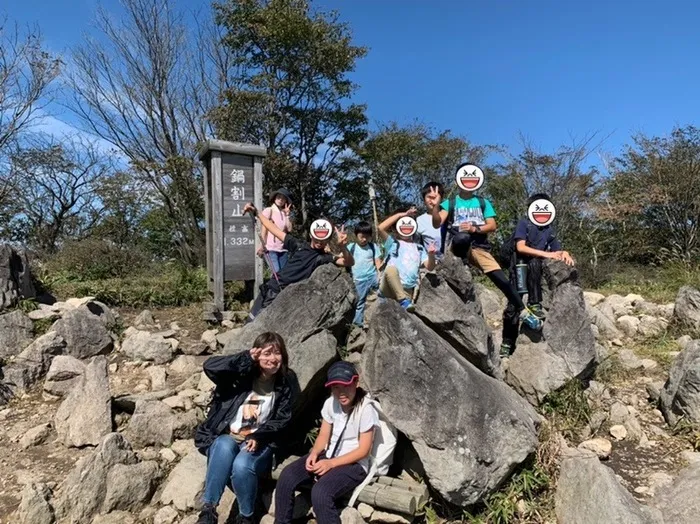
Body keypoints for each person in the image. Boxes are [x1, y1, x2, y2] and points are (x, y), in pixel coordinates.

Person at [194, 332, 299, 524]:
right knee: (222, 446)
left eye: (277, 353)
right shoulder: (242, 374)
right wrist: (244, 358)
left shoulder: (286, 380)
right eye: (267, 354)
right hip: (229, 434)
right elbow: (210, 366)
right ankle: (208, 510)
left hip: (260, 440)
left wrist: (260, 435)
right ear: (257, 355)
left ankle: (246, 516)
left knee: (241, 466)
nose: (272, 359)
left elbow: (283, 418)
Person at [428, 176, 543, 338]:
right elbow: (437, 223)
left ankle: (523, 311)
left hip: (479, 248)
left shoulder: (483, 202)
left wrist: (474, 228)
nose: (469, 181)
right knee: (462, 237)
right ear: (458, 181)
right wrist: (435, 207)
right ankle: (462, 263)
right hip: (457, 246)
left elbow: (492, 225)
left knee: (501, 279)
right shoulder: (450, 203)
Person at [274, 361, 378, 524]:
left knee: (321, 493)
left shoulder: (366, 409)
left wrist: (331, 464)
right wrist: (314, 453)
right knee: (287, 476)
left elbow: (364, 450)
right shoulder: (331, 403)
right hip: (328, 455)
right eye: (335, 387)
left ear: (356, 382)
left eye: (345, 385)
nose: (341, 392)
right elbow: (323, 435)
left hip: (354, 464)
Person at [243, 203, 354, 322]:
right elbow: (273, 229)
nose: (319, 242)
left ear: (327, 239)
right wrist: (257, 212)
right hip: (272, 286)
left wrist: (343, 247)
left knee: (264, 326)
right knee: (251, 321)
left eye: (323, 239)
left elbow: (349, 262)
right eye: (317, 238)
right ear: (311, 235)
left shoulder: (323, 258)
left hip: (287, 296)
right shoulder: (298, 245)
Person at [501, 193, 575, 355]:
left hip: (535, 270)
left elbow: (557, 249)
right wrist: (547, 254)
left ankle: (535, 304)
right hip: (518, 268)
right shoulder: (524, 224)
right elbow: (520, 247)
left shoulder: (549, 229)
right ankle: (507, 344)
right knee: (513, 307)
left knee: (535, 262)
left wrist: (566, 253)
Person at [376, 208, 436, 311]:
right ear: (395, 229)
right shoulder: (392, 243)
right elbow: (380, 228)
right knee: (391, 269)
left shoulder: (419, 248)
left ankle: (403, 300)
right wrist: (402, 214)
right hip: (388, 288)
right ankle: (403, 300)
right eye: (402, 225)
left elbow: (430, 267)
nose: (406, 228)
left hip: (407, 290)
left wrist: (431, 255)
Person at [347, 221, 382, 327]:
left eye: (367, 237)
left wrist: (380, 274)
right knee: (359, 302)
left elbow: (378, 263)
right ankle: (357, 325)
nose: (364, 239)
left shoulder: (373, 246)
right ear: (356, 235)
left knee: (381, 297)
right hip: (358, 279)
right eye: (362, 236)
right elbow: (341, 258)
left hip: (373, 276)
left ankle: (381, 318)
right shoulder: (351, 247)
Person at [258, 188, 294, 274]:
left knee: (284, 274)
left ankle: (280, 288)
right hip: (271, 248)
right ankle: (272, 288)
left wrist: (287, 215)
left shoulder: (284, 213)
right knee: (276, 274)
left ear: (286, 201)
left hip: (283, 249)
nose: (280, 200)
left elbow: (289, 229)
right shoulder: (268, 210)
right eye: (278, 197)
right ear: (274, 198)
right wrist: (262, 245)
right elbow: (264, 229)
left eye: (283, 198)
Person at [416, 181, 445, 260]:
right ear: (424, 199)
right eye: (429, 197)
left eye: (435, 197)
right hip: (431, 262)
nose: (432, 201)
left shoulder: (448, 215)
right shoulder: (420, 220)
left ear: (441, 198)